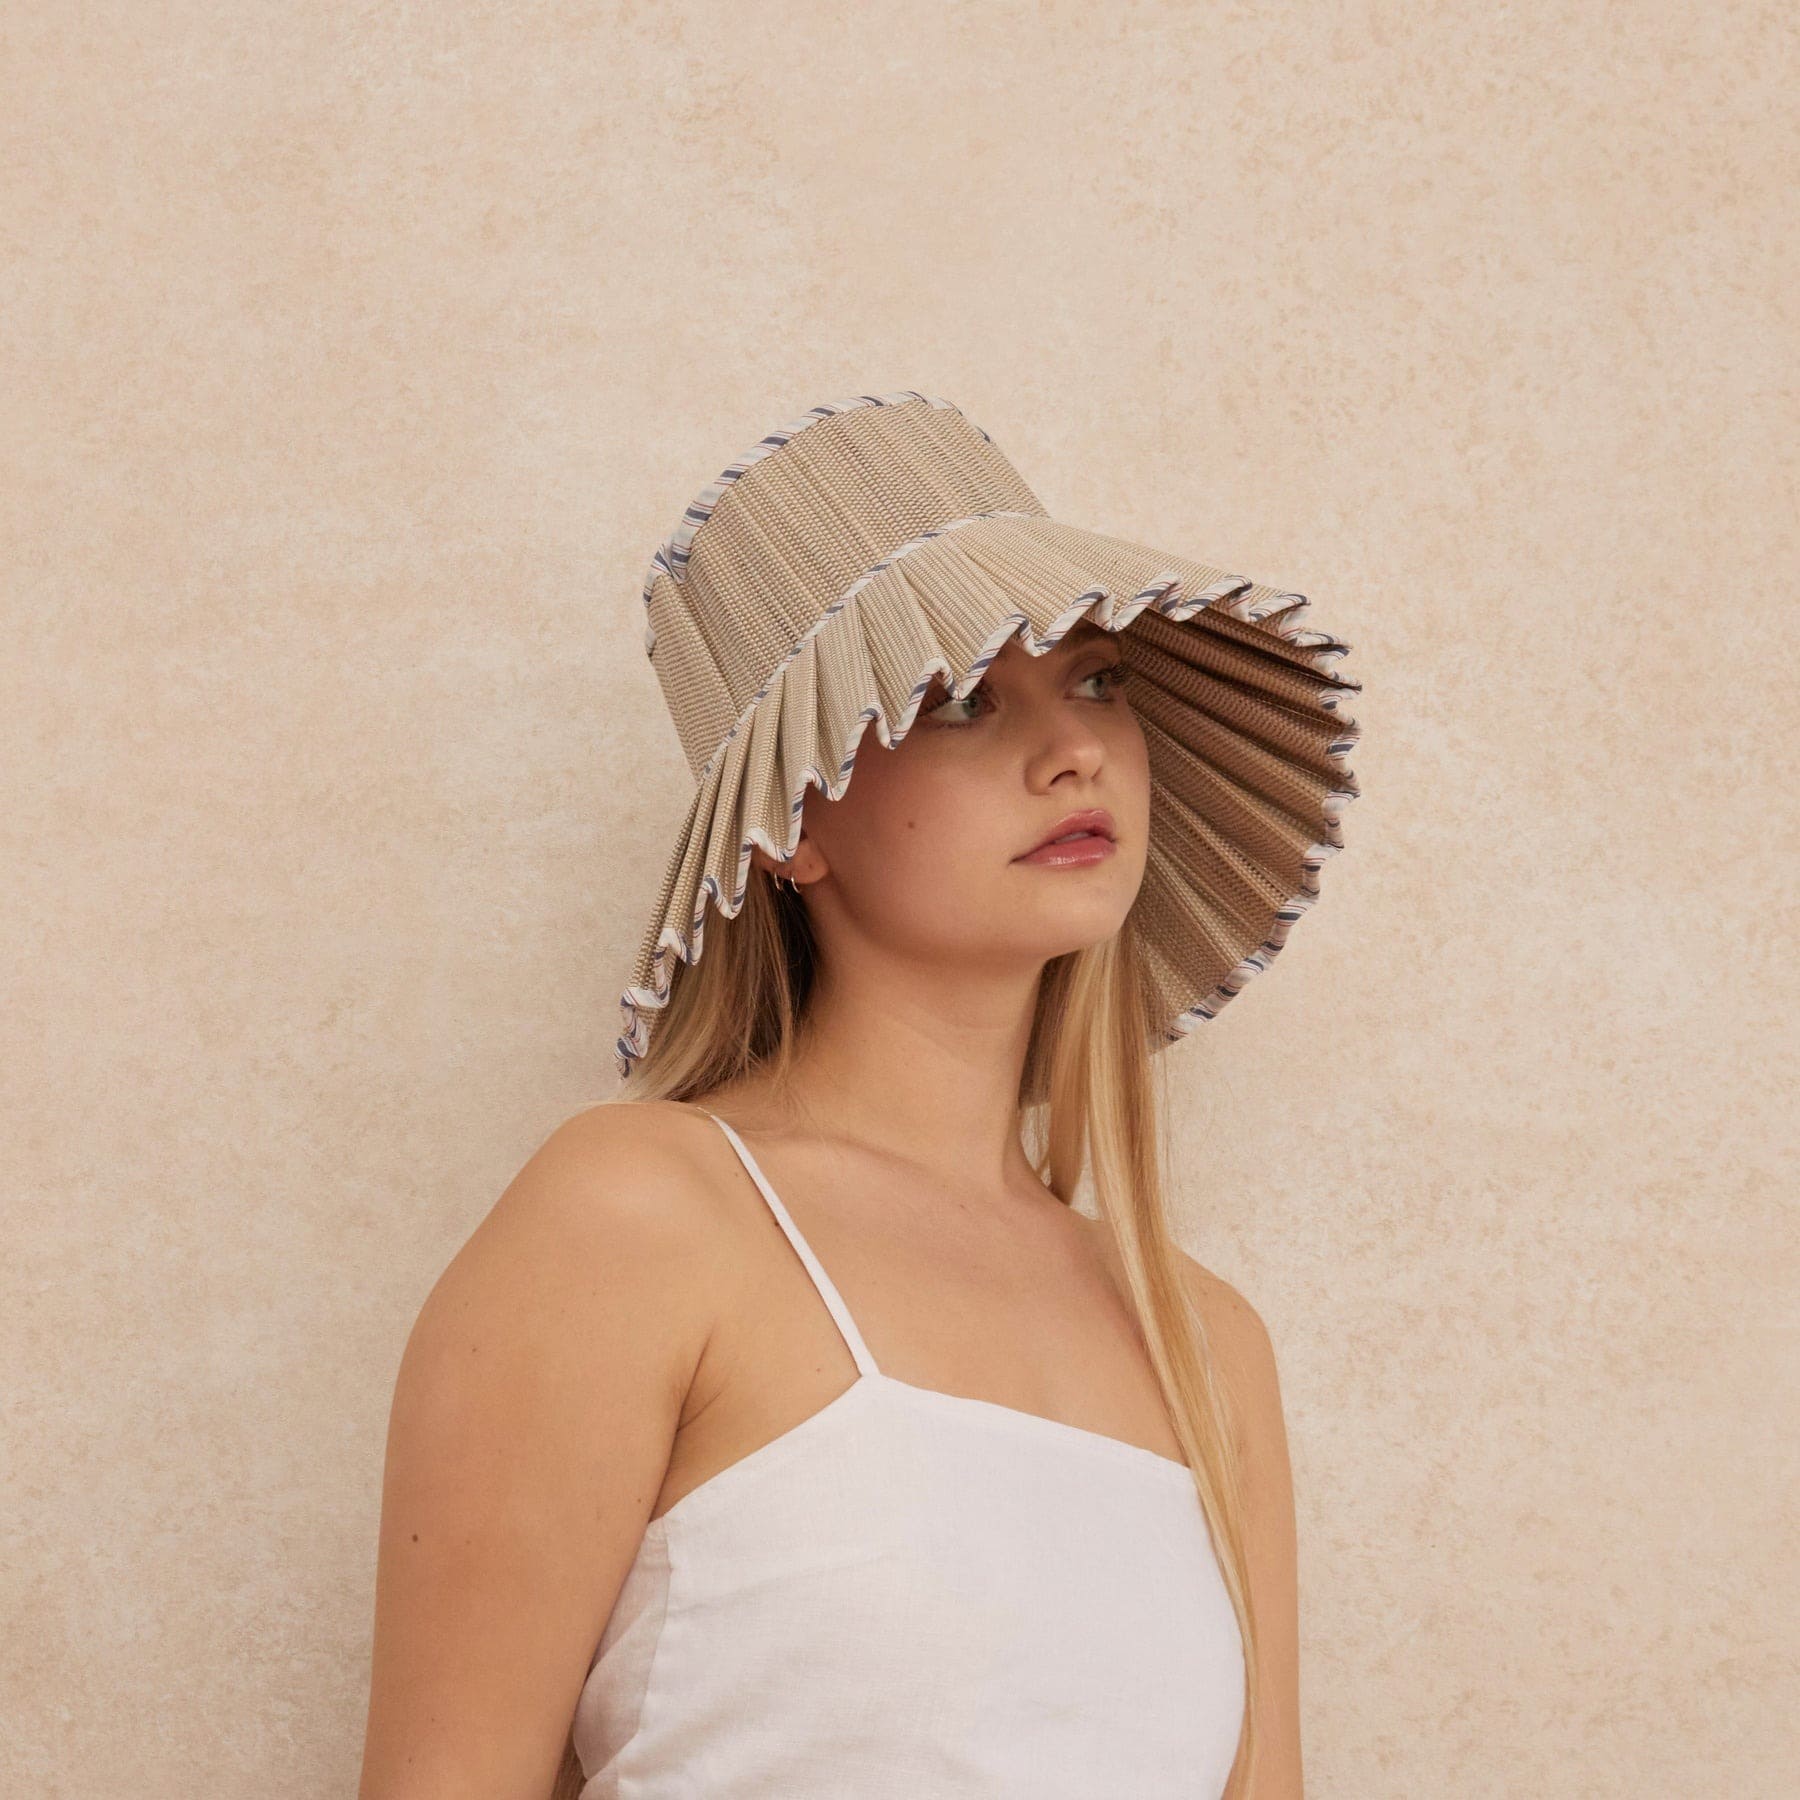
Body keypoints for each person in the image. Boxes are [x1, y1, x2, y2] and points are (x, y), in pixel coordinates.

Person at [357, 392, 1362, 1799]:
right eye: (960, 699)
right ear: (790, 825)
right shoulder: (637, 1221)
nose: (1073, 751)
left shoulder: (1205, 1344)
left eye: (1097, 682)